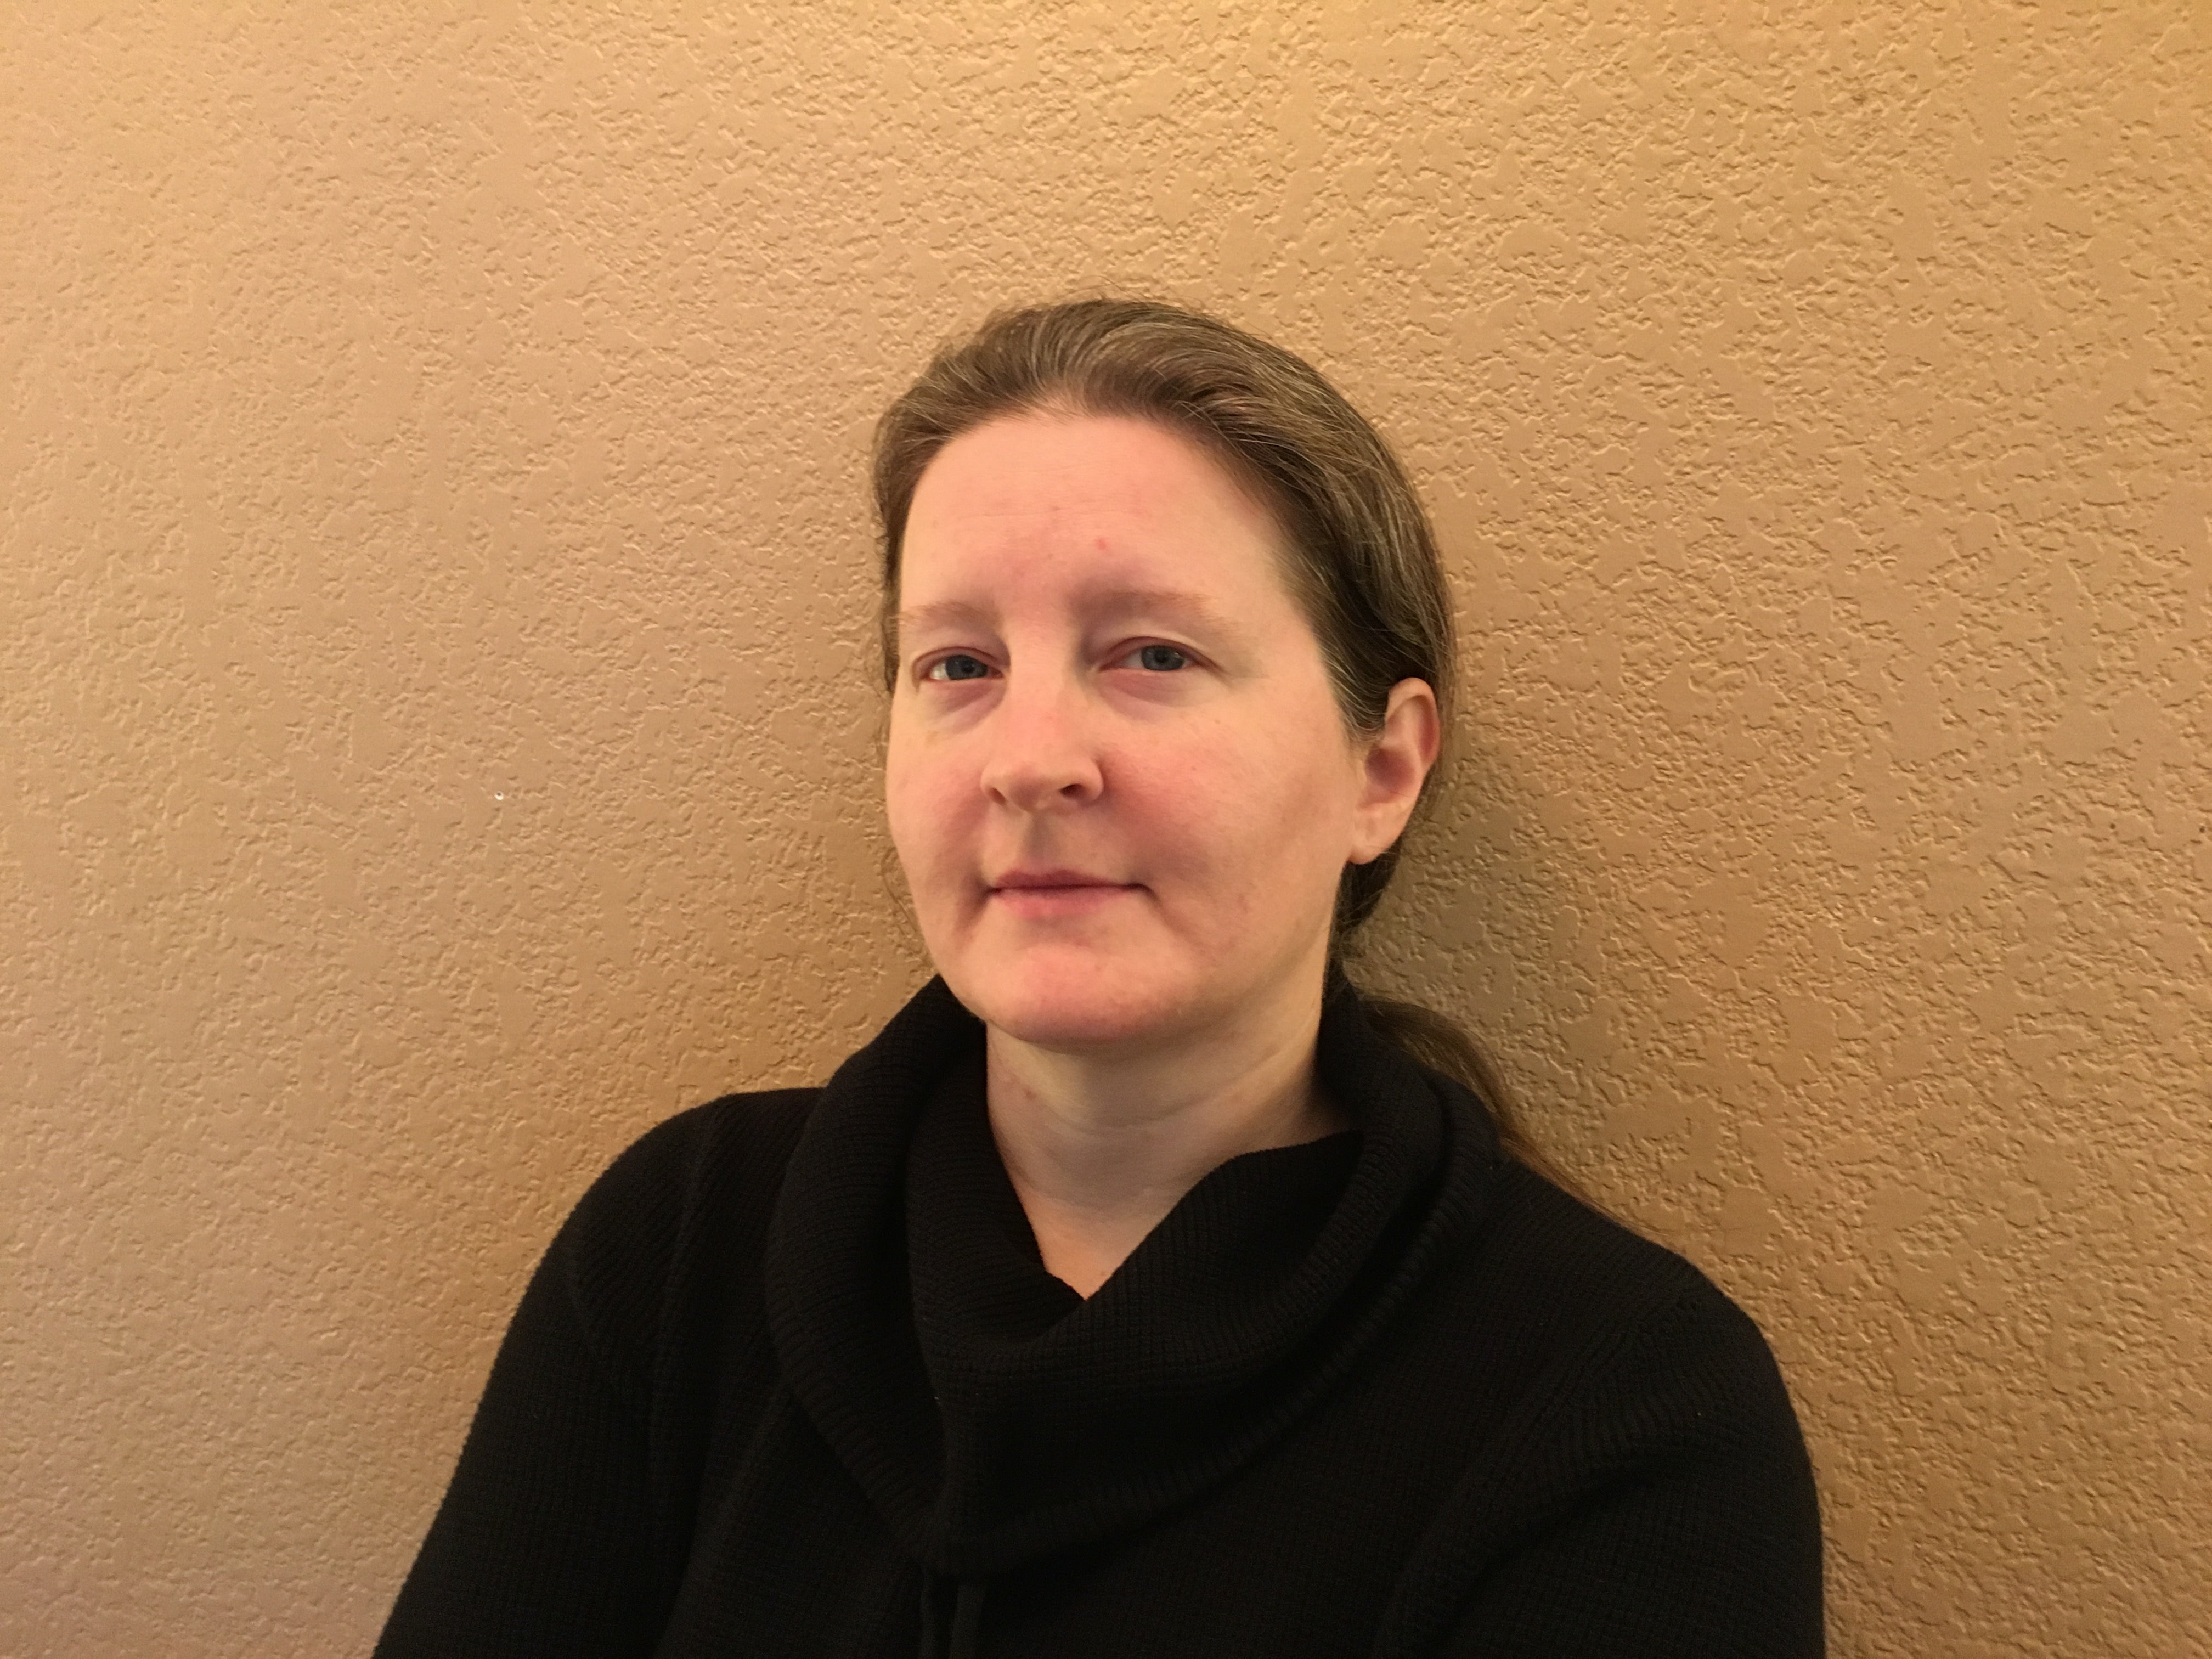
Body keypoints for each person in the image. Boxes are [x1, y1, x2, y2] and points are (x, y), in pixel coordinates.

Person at [374, 298, 1823, 1658]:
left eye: (1150, 653)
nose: (1029, 758)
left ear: (1382, 766)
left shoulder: (1623, 1411)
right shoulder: (682, 1250)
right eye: (957, 665)